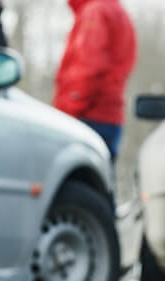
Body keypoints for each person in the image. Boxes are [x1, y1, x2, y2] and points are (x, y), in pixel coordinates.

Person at [53, 0, 137, 162]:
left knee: (77, 179)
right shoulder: (118, 11)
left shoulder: (95, 11)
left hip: (88, 115)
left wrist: (67, 112)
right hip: (111, 115)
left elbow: (89, 67)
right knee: (102, 179)